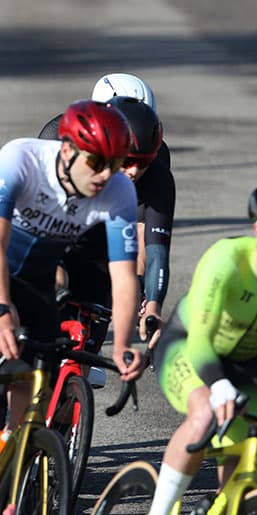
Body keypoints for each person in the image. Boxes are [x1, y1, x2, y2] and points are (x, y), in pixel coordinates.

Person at [0, 100, 147, 505]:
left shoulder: (118, 190)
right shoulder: (21, 158)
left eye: (113, 163)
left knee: (39, 370)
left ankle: (4, 450)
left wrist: (124, 341)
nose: (104, 174)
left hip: (33, 279)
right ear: (67, 150)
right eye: (95, 161)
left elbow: (123, 275)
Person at [136, 178, 257, 515]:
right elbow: (202, 342)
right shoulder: (225, 262)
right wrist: (217, 386)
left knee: (245, 459)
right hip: (188, 347)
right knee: (204, 414)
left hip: (241, 363)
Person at [42, 92, 174, 386]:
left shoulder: (156, 171)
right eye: (127, 159)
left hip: (104, 248)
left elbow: (152, 247)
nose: (134, 172)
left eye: (144, 162)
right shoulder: (56, 137)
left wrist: (151, 304)